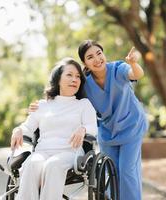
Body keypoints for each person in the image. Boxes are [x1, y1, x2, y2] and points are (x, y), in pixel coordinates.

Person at [11, 57, 97, 200]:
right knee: (32, 164)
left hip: (70, 152)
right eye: (69, 75)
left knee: (53, 164)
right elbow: (27, 127)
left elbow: (93, 128)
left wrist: (83, 129)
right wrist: (18, 130)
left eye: (78, 77)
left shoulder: (83, 104)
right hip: (42, 151)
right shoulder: (43, 105)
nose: (74, 79)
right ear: (58, 79)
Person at [78, 40, 149, 200]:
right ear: (85, 63)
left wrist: (133, 63)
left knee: (127, 170)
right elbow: (67, 96)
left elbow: (136, 74)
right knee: (112, 172)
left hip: (132, 126)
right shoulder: (85, 84)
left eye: (99, 53)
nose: (97, 59)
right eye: (90, 57)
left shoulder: (118, 68)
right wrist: (43, 105)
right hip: (108, 132)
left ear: (103, 54)